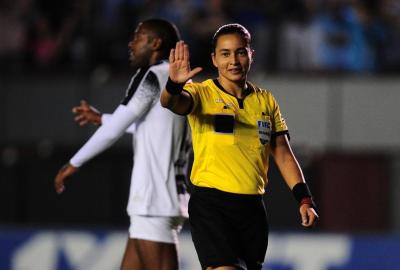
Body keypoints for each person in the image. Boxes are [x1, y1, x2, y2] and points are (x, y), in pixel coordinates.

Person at [160, 23, 319, 270]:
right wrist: (173, 85)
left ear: (250, 55)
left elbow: (283, 154)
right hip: (212, 205)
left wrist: (304, 199)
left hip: (252, 210)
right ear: (214, 59)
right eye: (225, 53)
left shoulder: (265, 100)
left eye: (240, 52)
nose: (233, 60)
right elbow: (173, 102)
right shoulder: (201, 93)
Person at [54, 18, 190, 270]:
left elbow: (117, 127)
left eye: (138, 37)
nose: (131, 44)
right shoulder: (178, 81)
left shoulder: (152, 76)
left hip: (153, 199)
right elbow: (151, 127)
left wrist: (74, 162)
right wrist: (102, 118)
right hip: (163, 197)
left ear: (155, 43)